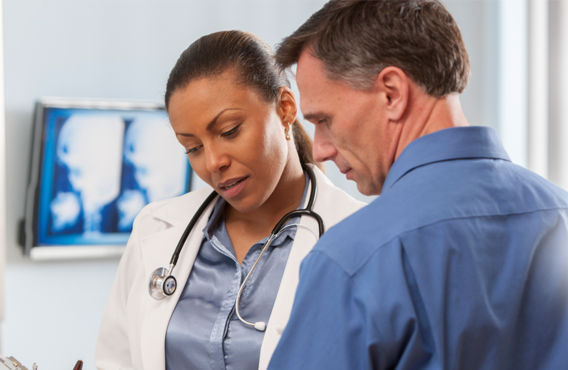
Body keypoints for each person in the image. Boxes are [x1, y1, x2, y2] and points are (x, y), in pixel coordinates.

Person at [267, 0, 568, 369]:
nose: (321, 149)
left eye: (325, 119)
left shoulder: (353, 260)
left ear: (392, 93)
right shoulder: (561, 215)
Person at [95, 30, 365, 370]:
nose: (212, 163)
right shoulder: (155, 229)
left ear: (285, 108)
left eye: (229, 131)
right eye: (192, 147)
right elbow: (115, 362)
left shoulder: (361, 239)